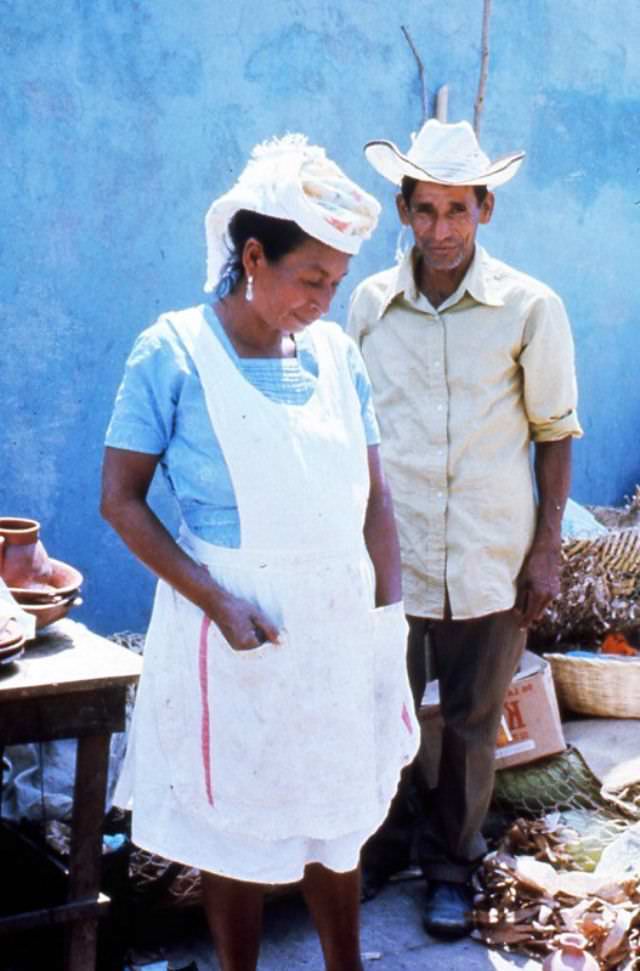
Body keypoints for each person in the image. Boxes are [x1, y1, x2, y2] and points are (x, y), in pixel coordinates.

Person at [101, 134, 419, 971]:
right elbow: (120, 499)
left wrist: (389, 620)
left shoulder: (337, 357)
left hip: (339, 625)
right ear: (251, 255)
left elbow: (375, 499)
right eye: (309, 278)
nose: (323, 298)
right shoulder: (172, 352)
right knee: (235, 823)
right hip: (234, 624)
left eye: (336, 282)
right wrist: (216, 598)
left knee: (335, 814)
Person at [347, 119, 583, 938]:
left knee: (476, 724)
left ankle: (452, 864)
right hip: (392, 557)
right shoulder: (370, 306)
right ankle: (377, 850)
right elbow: (349, 430)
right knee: (384, 712)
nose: (441, 231)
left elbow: (555, 432)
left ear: (485, 209)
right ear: (403, 210)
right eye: (425, 210)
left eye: (458, 210)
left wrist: (547, 549)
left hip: (491, 555)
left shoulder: (529, 306)